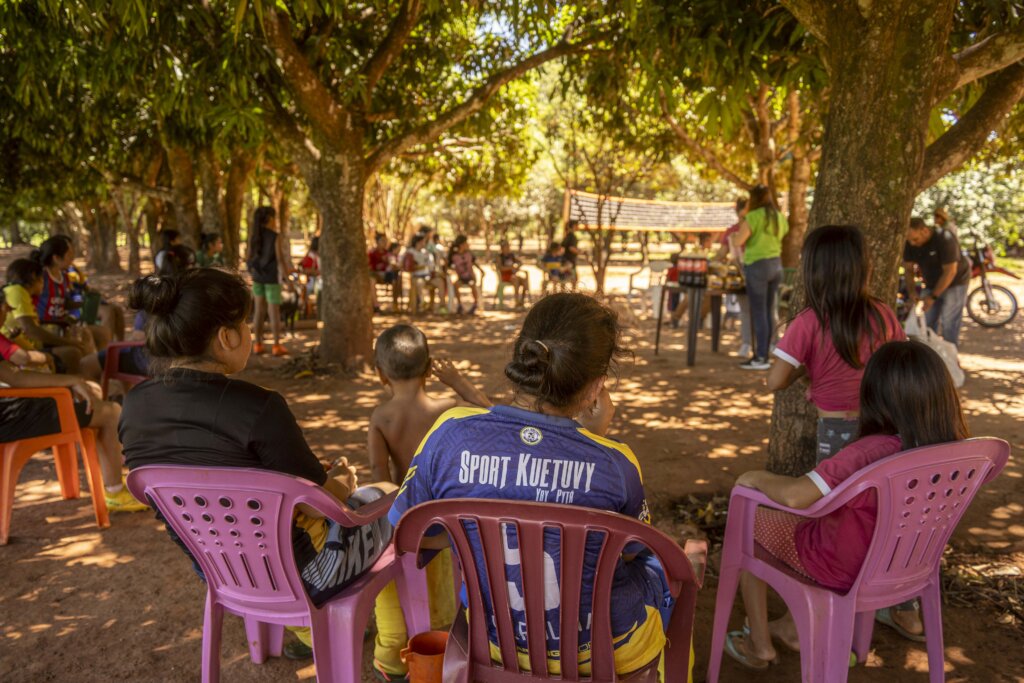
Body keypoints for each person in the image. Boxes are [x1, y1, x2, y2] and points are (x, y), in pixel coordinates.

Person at [388, 293, 684, 679]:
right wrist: (593, 442)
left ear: (522, 358)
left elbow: (411, 533)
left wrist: (470, 535)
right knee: (668, 568)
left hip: (493, 641)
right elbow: (628, 553)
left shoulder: (449, 434)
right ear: (596, 387)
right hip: (605, 651)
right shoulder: (616, 462)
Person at [119, 268, 396, 659]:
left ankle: (310, 633)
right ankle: (394, 649)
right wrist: (343, 481)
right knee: (391, 500)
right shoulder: (259, 407)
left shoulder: (133, 406)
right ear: (226, 336)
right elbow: (320, 505)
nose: (250, 332)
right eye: (247, 324)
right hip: (304, 576)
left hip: (219, 570)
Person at [723, 340, 968, 669]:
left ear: (874, 393)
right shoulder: (958, 452)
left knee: (749, 520)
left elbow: (796, 495)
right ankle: (793, 629)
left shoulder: (868, 452)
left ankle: (759, 643)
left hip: (839, 565)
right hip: (908, 565)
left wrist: (755, 477)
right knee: (820, 523)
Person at [367, 324, 490, 680]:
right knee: (441, 581)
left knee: (400, 576)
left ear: (380, 374)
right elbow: (492, 415)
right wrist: (460, 384)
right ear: (429, 368)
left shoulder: (382, 417)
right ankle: (440, 644)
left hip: (406, 520)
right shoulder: (448, 409)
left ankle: (395, 651)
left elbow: (379, 475)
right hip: (447, 523)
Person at [768, 225, 906, 463]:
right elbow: (901, 363)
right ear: (864, 267)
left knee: (836, 485)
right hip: (883, 422)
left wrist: (805, 369)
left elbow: (775, 381)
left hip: (836, 428)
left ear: (813, 271)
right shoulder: (883, 313)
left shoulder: (809, 321)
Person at [0, 299, 145, 513]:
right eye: (4, 306)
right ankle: (114, 491)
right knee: (110, 412)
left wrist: (70, 381)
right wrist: (71, 381)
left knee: (89, 396)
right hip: (11, 418)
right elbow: (18, 379)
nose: (8, 311)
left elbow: (15, 377)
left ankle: (113, 480)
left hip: (10, 412)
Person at [732, 185, 789, 370]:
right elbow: (784, 233)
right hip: (776, 266)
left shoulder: (753, 217)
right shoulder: (779, 217)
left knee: (758, 313)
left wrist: (739, 227)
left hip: (757, 266)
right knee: (768, 310)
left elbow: (738, 241)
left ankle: (761, 357)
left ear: (754, 199)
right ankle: (767, 352)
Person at [3, 258, 91, 374]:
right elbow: (30, 330)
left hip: (29, 345)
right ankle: (74, 383)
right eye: (42, 279)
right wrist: (68, 342)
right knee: (72, 353)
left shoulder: (24, 294)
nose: (43, 284)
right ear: (33, 276)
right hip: (19, 349)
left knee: (79, 338)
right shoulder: (17, 292)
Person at [33, 236, 109, 353]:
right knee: (83, 337)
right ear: (56, 258)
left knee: (101, 333)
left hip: (62, 324)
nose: (72, 258)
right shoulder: (41, 277)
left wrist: (85, 302)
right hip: (45, 325)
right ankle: (92, 362)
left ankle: (99, 361)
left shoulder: (64, 277)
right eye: (69, 254)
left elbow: (64, 302)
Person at [904, 216, 971, 347]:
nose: (912, 244)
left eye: (915, 239)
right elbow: (908, 270)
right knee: (927, 321)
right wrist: (912, 292)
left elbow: (950, 271)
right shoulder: (910, 242)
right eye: (909, 240)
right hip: (931, 282)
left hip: (955, 281)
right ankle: (931, 354)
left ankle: (951, 354)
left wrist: (933, 297)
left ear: (924, 230)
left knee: (949, 322)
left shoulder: (945, 238)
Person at [246, 205, 291, 356]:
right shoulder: (274, 236)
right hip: (272, 279)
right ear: (270, 219)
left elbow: (248, 258)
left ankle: (257, 344)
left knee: (258, 311)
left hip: (258, 278)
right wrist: (288, 280)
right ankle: (276, 346)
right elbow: (281, 260)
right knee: (274, 312)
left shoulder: (253, 236)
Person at [716, 198, 751, 357]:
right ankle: (749, 343)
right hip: (743, 271)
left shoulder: (754, 226)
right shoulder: (733, 230)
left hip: (753, 269)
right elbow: (723, 253)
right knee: (749, 309)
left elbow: (722, 253)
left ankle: (756, 344)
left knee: (754, 310)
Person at [448, 235, 484, 315]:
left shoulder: (469, 254)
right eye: (466, 243)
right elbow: (449, 266)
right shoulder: (454, 256)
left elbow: (475, 263)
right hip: (460, 278)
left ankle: (475, 304)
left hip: (470, 277)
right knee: (456, 285)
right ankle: (460, 305)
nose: (467, 245)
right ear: (461, 245)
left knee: (472, 284)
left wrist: (481, 270)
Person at [495, 239, 529, 308]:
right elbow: (500, 268)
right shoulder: (500, 257)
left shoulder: (511, 255)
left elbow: (519, 262)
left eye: (508, 247)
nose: (508, 248)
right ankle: (517, 301)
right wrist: (510, 268)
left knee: (524, 281)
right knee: (516, 280)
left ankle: (522, 301)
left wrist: (517, 267)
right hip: (504, 276)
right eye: (506, 247)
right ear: (502, 248)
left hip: (513, 275)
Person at [561, 219, 581, 290]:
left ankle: (563, 292)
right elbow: (571, 248)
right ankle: (573, 293)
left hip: (565, 260)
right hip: (570, 261)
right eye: (577, 225)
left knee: (564, 278)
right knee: (574, 279)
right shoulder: (572, 236)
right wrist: (580, 252)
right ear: (574, 226)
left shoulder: (567, 236)